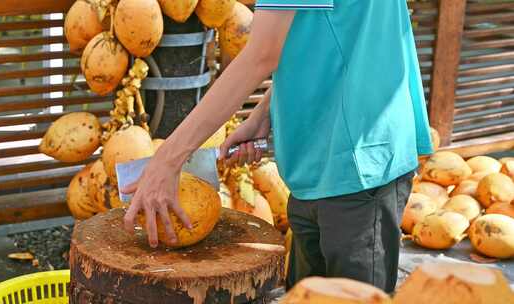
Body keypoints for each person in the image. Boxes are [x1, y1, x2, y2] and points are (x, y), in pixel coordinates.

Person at [121, 0, 434, 293]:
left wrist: (167, 160)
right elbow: (328, 29)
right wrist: (265, 112)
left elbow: (262, 55)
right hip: (328, 161)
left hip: (356, 167)